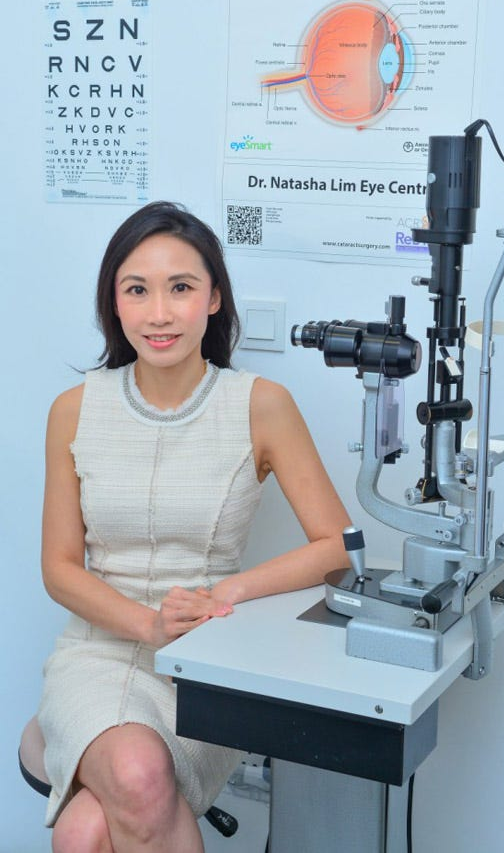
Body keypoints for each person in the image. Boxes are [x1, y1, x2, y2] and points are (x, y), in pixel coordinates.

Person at [37, 201, 350, 853]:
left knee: (85, 831)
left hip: (207, 662)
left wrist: (226, 593)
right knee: (133, 776)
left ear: (213, 298)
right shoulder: (74, 409)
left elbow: (337, 547)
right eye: (137, 290)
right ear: (114, 303)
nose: (159, 313)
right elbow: (59, 569)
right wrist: (145, 624)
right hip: (95, 655)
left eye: (180, 287)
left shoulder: (260, 405)